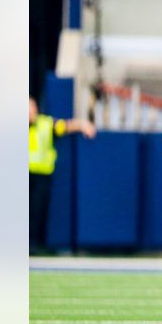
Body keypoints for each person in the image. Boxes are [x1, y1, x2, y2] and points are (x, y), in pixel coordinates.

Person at [29, 97, 96, 255]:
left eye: (32, 108)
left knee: (36, 211)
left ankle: (32, 245)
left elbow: (64, 126)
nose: (30, 112)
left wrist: (82, 124)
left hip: (41, 176)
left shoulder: (45, 124)